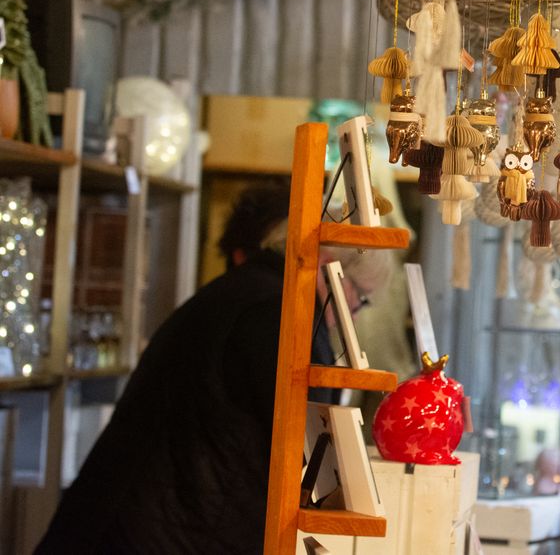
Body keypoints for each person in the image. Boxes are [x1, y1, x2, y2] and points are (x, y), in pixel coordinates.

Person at [36, 183, 390, 554]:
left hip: (124, 519)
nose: (353, 314)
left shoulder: (246, 291)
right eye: (359, 298)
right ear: (327, 265)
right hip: (164, 531)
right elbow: (309, 458)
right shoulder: (284, 316)